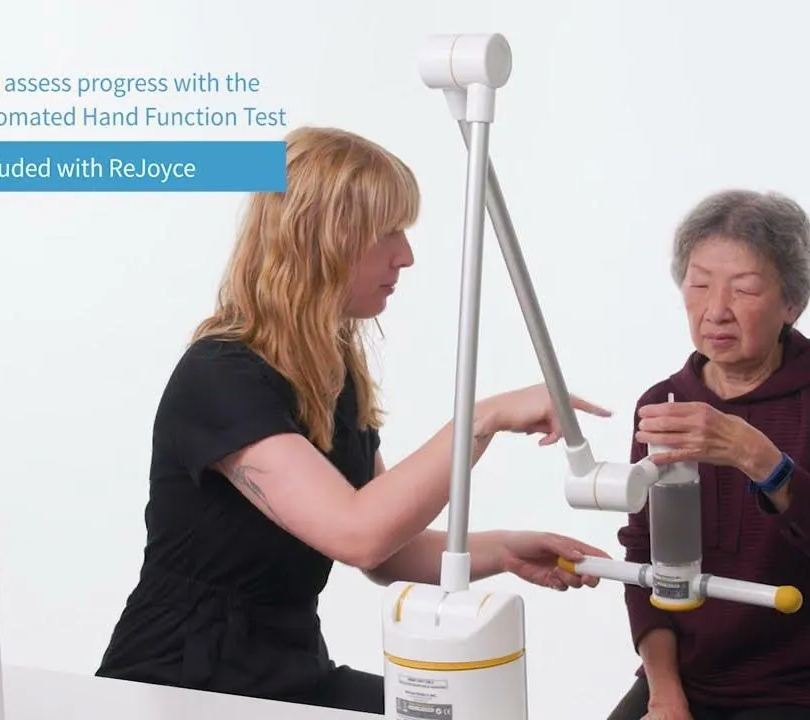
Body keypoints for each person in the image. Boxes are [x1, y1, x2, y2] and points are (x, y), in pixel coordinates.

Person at [95, 126, 611, 714]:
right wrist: (481, 419)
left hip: (289, 671)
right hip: (183, 684)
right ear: (321, 238)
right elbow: (358, 534)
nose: (406, 256)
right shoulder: (219, 376)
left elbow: (388, 550)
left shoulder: (329, 375)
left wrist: (506, 551)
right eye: (387, 232)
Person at [606, 190, 810, 720]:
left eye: (744, 289)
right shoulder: (665, 404)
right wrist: (665, 694)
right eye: (699, 285)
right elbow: (643, 561)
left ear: (792, 304)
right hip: (692, 679)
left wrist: (758, 457)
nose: (716, 310)